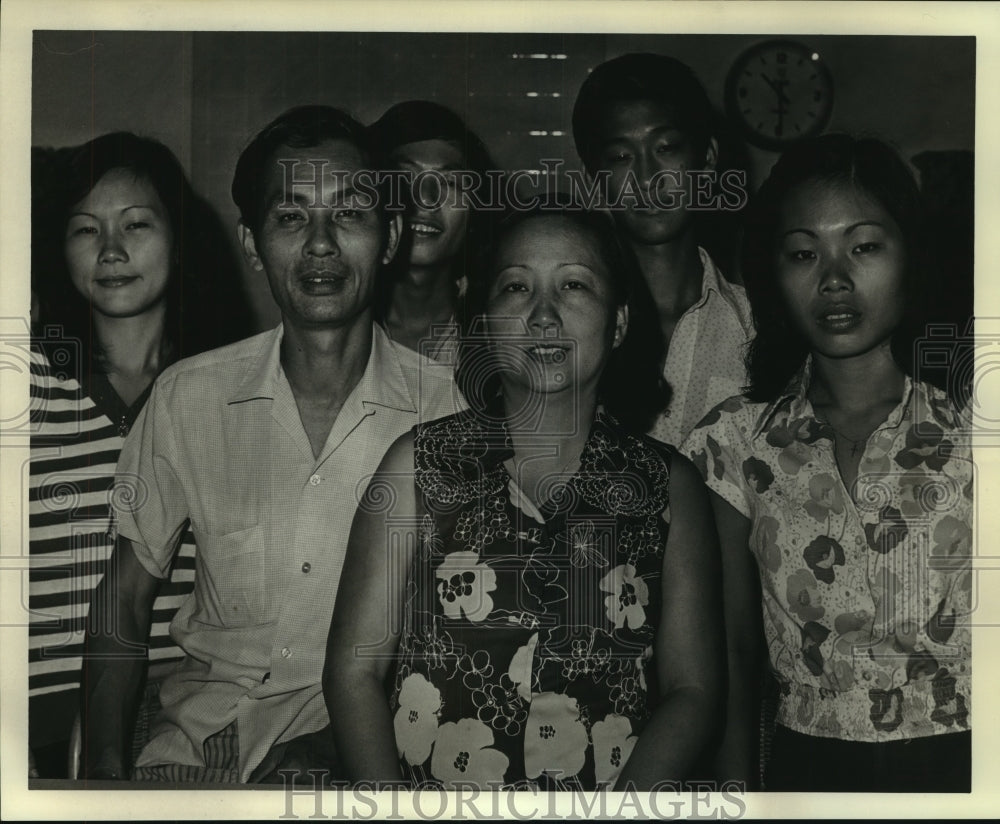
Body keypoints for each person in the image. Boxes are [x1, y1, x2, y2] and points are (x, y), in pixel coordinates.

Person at [80, 106, 461, 783]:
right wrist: (106, 770)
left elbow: (462, 634)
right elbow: (124, 599)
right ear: (253, 244)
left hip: (368, 757)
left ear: (391, 236)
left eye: (348, 214)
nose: (319, 245)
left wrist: (338, 750)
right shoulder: (187, 398)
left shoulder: (446, 411)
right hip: (199, 747)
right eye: (290, 218)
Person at [325, 202, 724, 791]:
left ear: (618, 323)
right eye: (515, 287)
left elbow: (694, 691)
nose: (543, 315)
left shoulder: (667, 487)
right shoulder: (418, 466)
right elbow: (352, 675)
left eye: (573, 286)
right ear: (485, 323)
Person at [682, 134, 972, 791]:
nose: (834, 278)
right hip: (808, 771)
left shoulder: (976, 425)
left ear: (911, 253)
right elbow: (730, 658)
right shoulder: (733, 445)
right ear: (773, 273)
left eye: (864, 246)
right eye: (804, 253)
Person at [28, 133, 252, 777]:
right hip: (34, 725)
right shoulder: (28, 381)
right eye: (85, 229)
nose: (112, 251)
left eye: (136, 224)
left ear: (179, 238)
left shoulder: (232, 393)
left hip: (187, 729)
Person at [572, 52, 754, 447]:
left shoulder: (758, 327)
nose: (646, 178)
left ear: (706, 159)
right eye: (621, 157)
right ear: (594, 178)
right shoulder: (570, 322)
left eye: (666, 148)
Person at [369, 100, 498, 361]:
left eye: (451, 181)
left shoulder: (501, 330)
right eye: (405, 178)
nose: (426, 198)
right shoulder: (338, 325)